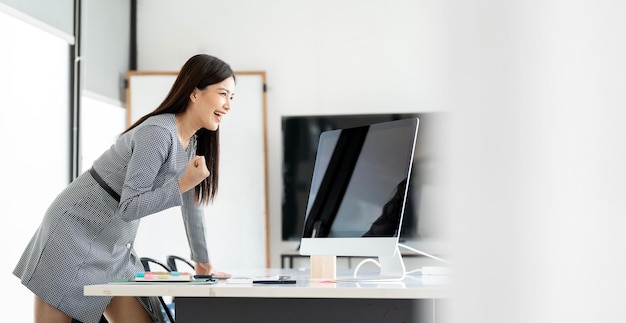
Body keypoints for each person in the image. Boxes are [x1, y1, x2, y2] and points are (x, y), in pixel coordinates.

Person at [13, 54, 235, 323]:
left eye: (231, 98)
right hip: (72, 233)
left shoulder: (192, 144)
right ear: (194, 93)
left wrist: (203, 262)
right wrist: (184, 183)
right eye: (223, 93)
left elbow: (191, 206)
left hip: (115, 247)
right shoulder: (158, 132)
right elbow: (130, 206)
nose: (228, 105)